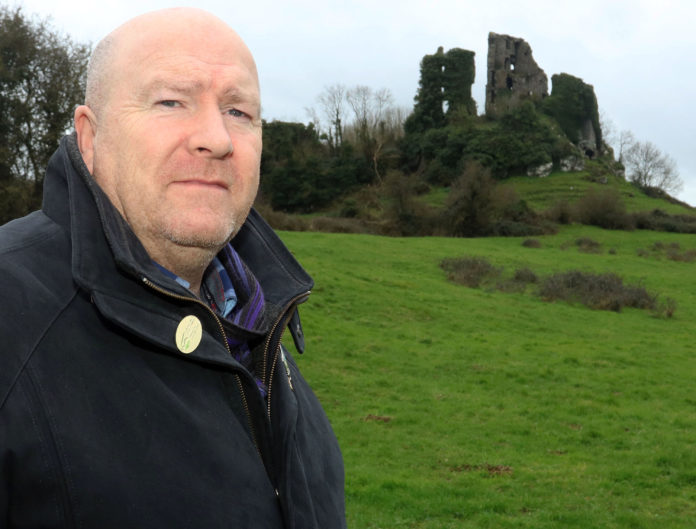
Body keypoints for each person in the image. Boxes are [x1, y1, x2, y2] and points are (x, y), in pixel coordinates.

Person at [0, 7, 345, 528]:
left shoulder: (260, 325)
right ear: (90, 137)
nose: (217, 138)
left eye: (239, 112)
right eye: (171, 101)